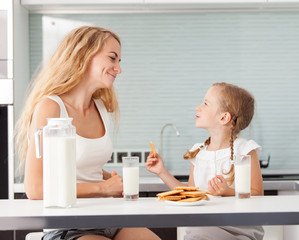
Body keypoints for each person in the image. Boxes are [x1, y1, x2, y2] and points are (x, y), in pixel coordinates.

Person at [15, 26, 160, 240]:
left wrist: (109, 180)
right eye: (112, 58)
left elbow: (82, 167)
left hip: (109, 218)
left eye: (119, 61)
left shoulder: (101, 109)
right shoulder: (51, 107)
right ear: (84, 54)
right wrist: (102, 188)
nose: (118, 69)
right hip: (67, 225)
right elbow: (35, 188)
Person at [146, 82, 264, 240]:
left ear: (224, 117)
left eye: (205, 103)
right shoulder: (199, 152)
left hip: (238, 233)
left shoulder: (245, 150)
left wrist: (227, 192)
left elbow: (258, 195)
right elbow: (189, 195)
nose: (198, 107)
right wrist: (162, 172)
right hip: (202, 230)